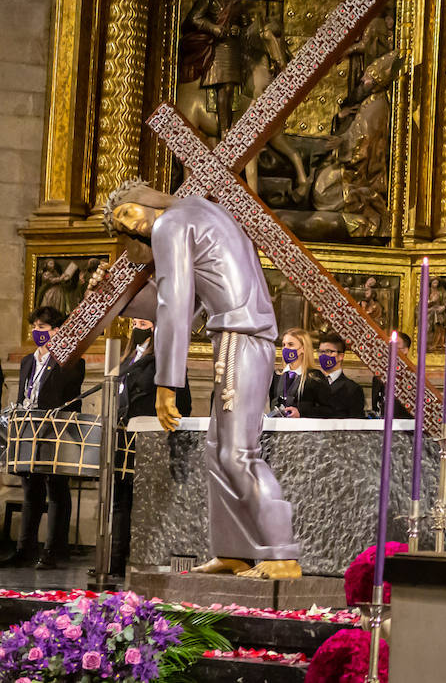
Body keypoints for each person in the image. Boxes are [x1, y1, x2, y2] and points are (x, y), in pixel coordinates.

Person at [102, 180, 299, 579]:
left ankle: (281, 554)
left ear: (145, 201)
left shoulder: (170, 224)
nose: (131, 227)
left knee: (237, 452)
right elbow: (186, 303)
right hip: (241, 334)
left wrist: (166, 382)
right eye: (122, 224)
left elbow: (173, 303)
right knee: (217, 450)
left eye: (126, 213)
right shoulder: (198, 211)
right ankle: (234, 550)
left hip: (238, 338)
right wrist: (118, 298)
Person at [0, 307, 85, 569]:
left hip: (55, 431)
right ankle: (25, 548)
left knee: (57, 488)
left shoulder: (70, 360)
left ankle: (55, 550)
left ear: (57, 331)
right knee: (30, 489)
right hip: (29, 429)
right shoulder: (28, 360)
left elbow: (69, 400)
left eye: (44, 328)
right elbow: (24, 395)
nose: (38, 332)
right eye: (35, 327)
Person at [110, 318, 191, 576]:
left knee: (144, 502)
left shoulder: (165, 358)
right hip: (123, 439)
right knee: (120, 501)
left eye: (143, 320)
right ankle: (115, 560)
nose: (137, 324)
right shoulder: (128, 357)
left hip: (150, 440)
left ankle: (141, 558)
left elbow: (183, 403)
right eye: (134, 320)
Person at [299, 332, 365, 419]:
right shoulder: (307, 382)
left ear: (341, 356)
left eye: (329, 351)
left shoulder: (353, 389)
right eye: (321, 351)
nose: (323, 355)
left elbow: (356, 422)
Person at [272, 328, 329, 418]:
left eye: (290, 345)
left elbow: (328, 410)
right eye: (284, 345)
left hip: (303, 430)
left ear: (303, 348)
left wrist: (301, 412)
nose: (285, 349)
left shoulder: (315, 377)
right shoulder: (277, 377)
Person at [370, 332, 410, 415]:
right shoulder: (379, 376)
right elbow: (376, 406)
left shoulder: (412, 377)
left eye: (396, 346)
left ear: (405, 350)